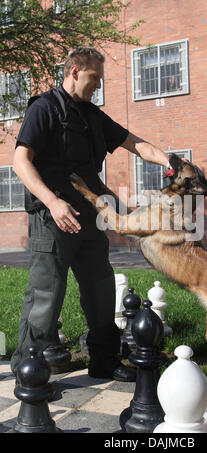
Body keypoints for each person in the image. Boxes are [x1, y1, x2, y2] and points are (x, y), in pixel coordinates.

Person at [11, 47, 170, 382]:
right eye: (94, 77)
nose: (98, 85)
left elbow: (134, 143)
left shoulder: (92, 116)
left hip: (89, 216)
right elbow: (20, 161)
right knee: (46, 295)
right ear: (74, 72)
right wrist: (53, 202)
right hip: (52, 218)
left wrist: (171, 162)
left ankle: (104, 360)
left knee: (100, 288)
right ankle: (29, 370)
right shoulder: (45, 108)